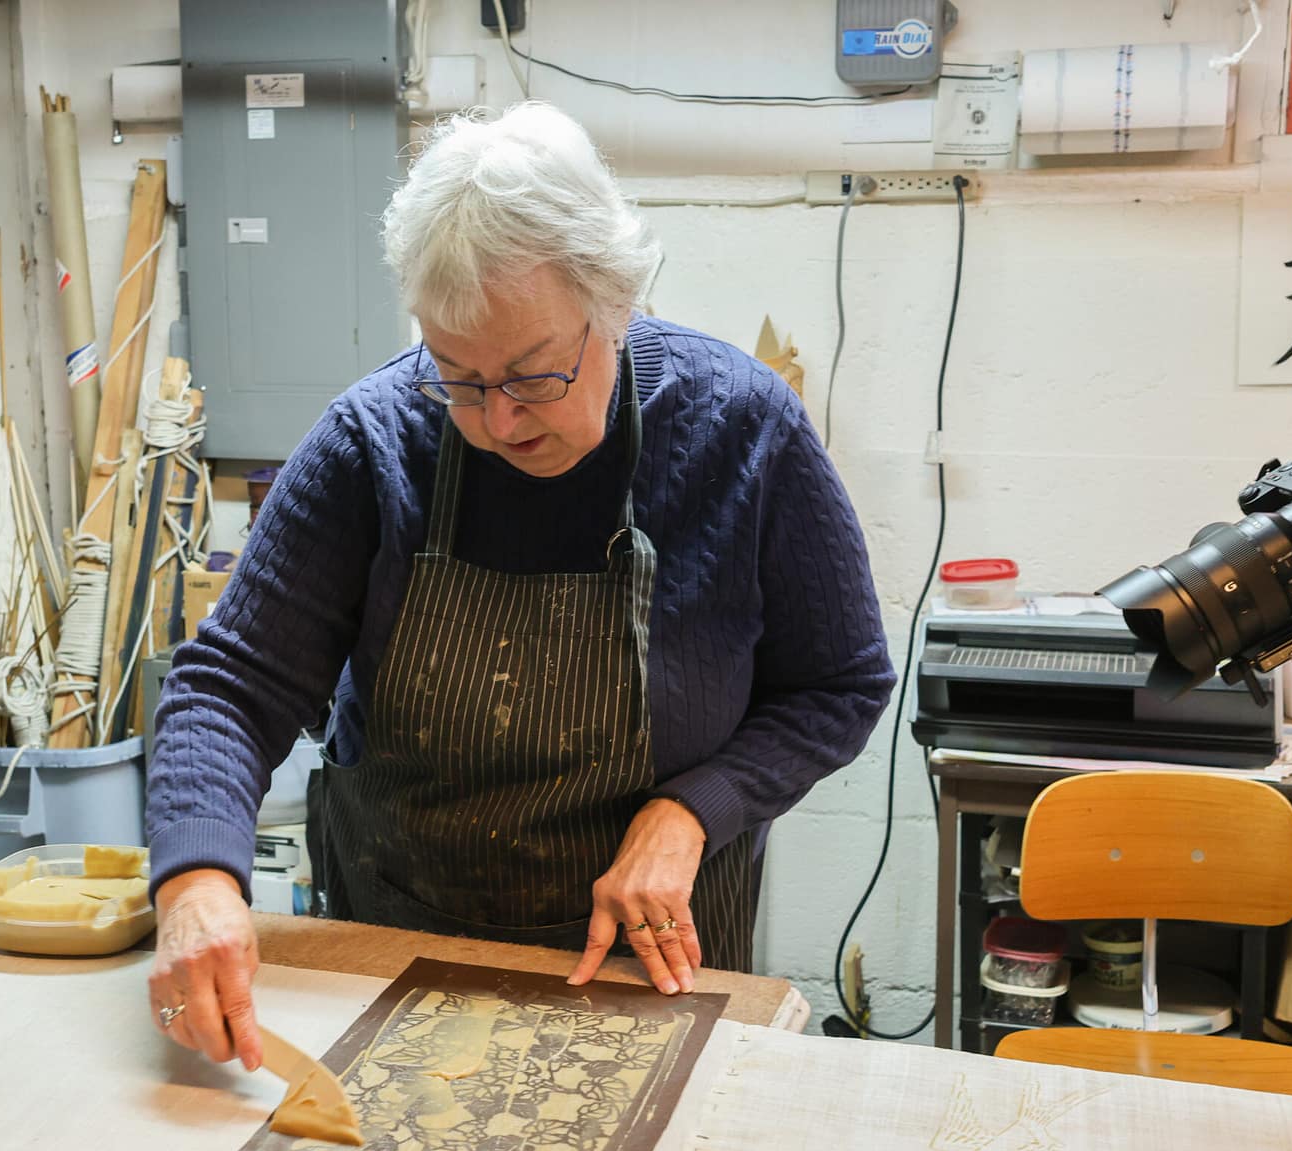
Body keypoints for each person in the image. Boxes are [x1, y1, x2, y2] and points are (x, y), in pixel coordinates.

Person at [146, 102, 893, 1069]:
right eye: (457, 376)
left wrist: (695, 808)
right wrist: (197, 880)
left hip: (643, 968)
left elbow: (841, 683)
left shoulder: (742, 433)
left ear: (614, 301)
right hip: (396, 950)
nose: (498, 420)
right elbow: (229, 686)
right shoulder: (370, 445)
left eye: (535, 376)